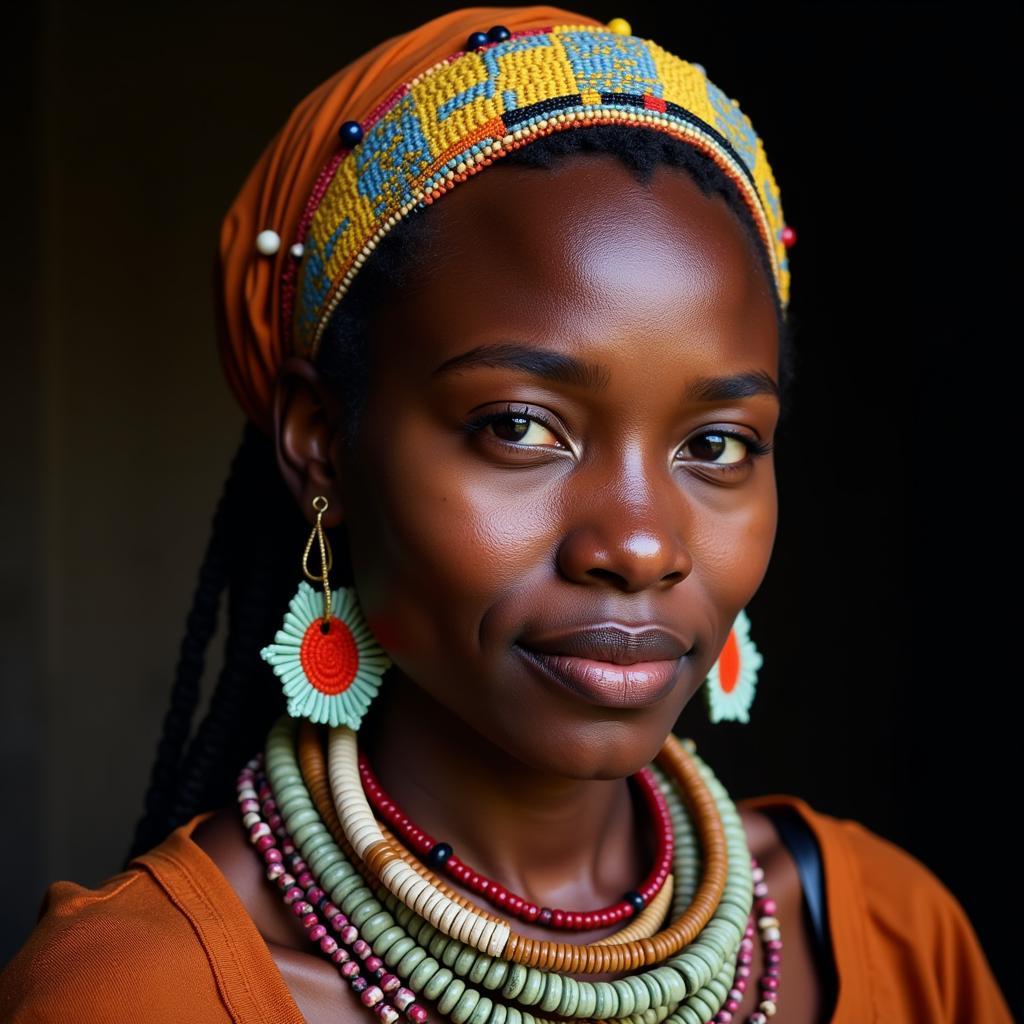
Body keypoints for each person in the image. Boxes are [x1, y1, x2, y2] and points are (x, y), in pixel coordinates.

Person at [0, 6, 1012, 1023]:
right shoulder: (142, 993)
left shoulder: (887, 936)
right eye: (520, 427)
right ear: (320, 442)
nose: (640, 544)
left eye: (714, 444)